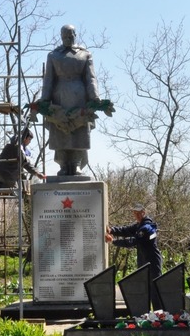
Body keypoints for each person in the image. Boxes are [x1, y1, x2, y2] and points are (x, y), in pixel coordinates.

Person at [39, 24, 100, 176]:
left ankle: (77, 162)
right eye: (64, 35)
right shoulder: (53, 55)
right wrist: (44, 101)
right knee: (60, 129)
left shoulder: (85, 54)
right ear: (60, 36)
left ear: (75, 35)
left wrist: (94, 98)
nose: (67, 38)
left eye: (70, 35)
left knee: (79, 128)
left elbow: (91, 78)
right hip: (59, 97)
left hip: (79, 97)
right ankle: (63, 164)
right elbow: (48, 80)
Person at [106, 204, 163, 311]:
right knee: (144, 288)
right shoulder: (139, 225)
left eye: (138, 213)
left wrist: (113, 241)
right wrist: (112, 230)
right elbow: (126, 230)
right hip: (144, 262)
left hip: (153, 262)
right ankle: (147, 315)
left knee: (154, 290)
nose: (136, 215)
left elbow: (132, 241)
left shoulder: (146, 228)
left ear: (143, 212)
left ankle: (159, 316)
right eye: (134, 213)